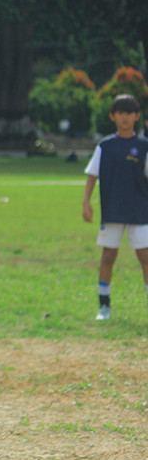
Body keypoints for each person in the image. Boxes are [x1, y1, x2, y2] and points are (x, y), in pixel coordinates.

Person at [81, 93, 148, 321]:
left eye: (129, 113)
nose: (125, 117)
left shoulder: (144, 146)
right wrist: (86, 202)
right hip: (113, 210)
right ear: (113, 116)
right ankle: (104, 306)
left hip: (140, 211)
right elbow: (92, 175)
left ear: (136, 116)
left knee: (145, 256)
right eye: (120, 113)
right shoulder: (106, 146)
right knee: (108, 256)